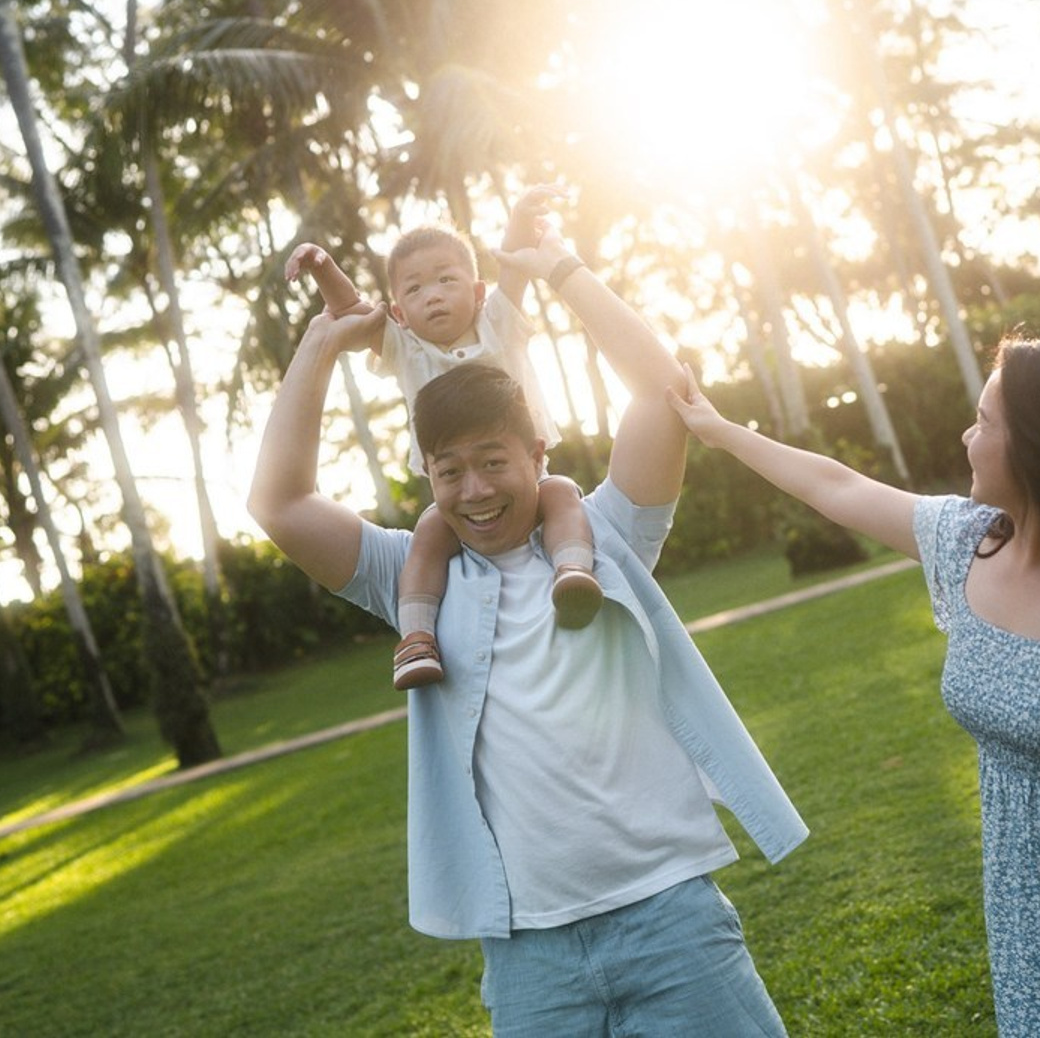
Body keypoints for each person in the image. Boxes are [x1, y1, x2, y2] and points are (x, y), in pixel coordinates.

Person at [249, 226, 807, 1034]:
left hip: (671, 922)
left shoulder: (608, 534)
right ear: (427, 474)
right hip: (528, 957)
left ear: (537, 454)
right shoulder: (413, 576)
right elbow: (280, 504)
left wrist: (562, 270)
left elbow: (664, 392)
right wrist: (323, 342)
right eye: (449, 471)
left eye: (493, 462)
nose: (474, 491)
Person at [666, 333, 1040, 1038]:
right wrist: (719, 431)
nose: (966, 435)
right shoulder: (966, 543)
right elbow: (836, 486)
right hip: (1036, 914)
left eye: (985, 421)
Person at [284, 186, 602, 692]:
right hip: (455, 491)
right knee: (429, 535)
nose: (432, 295)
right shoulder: (403, 348)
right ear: (399, 312)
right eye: (414, 289)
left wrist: (520, 218)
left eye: (446, 280)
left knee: (562, 494)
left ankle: (572, 573)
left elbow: (514, 269)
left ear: (477, 292)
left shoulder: (497, 323)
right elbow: (352, 310)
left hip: (526, 475)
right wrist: (323, 267)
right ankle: (416, 637)